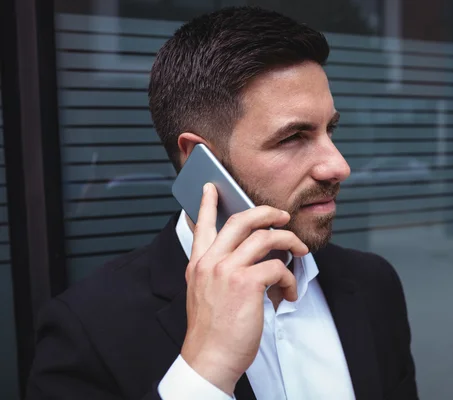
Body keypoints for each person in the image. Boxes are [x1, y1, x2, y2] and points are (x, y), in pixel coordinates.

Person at [26, 6, 418, 400]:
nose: (339, 166)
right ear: (199, 159)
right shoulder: (86, 330)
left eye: (329, 129)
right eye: (293, 137)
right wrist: (204, 370)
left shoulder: (373, 284)